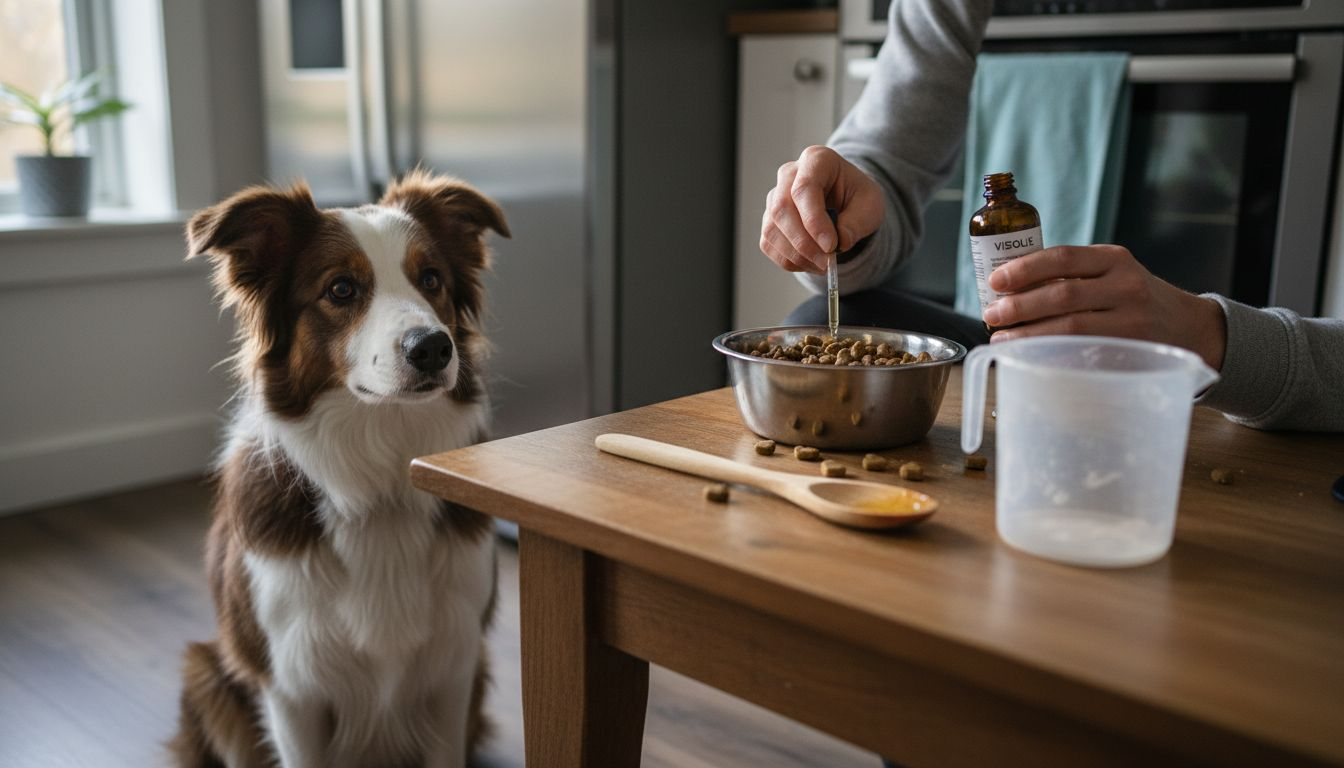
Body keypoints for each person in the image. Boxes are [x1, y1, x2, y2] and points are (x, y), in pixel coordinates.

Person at [760, 0, 1343, 432]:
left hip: (1222, 376)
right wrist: (840, 220)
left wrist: (1208, 336)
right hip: (1027, 356)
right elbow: (884, 162)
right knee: (826, 317)